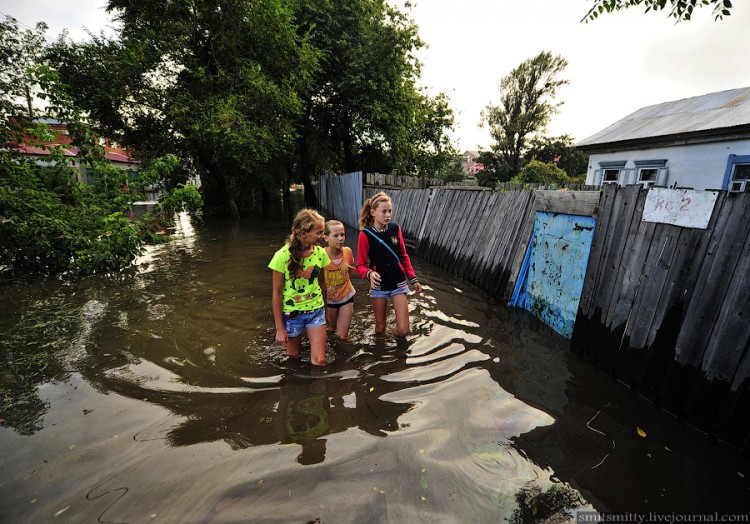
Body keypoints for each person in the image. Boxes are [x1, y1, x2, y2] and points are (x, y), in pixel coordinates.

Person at [269, 209, 330, 366]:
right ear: (303, 234)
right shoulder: (281, 256)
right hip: (292, 315)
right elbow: (276, 293)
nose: (322, 236)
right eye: (319, 232)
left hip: (316, 310)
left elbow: (322, 283)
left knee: (320, 360)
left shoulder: (321, 254)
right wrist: (280, 329)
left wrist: (326, 311)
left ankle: (319, 389)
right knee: (293, 357)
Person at [356, 192, 422, 337]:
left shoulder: (395, 229)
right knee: (380, 328)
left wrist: (413, 279)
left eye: (389, 211)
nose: (388, 215)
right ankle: (381, 352)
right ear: (373, 212)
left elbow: (403, 256)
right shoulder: (365, 235)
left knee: (404, 331)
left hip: (398, 283)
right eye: (383, 211)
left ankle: (396, 350)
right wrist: (369, 273)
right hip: (379, 286)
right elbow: (360, 265)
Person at [322, 220, 357, 340]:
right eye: (336, 236)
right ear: (326, 237)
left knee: (343, 337)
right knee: (330, 331)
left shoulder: (347, 252)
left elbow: (348, 269)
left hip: (346, 296)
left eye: (342, 235)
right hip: (329, 301)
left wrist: (365, 272)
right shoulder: (321, 255)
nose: (340, 238)